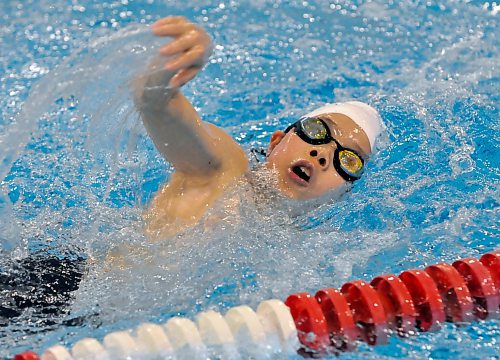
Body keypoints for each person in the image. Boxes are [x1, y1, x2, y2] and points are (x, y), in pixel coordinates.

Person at [133, 16, 383, 239]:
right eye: (317, 131)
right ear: (275, 143)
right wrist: (172, 65)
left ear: (342, 195)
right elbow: (154, 102)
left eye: (349, 160)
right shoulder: (222, 169)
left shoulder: (308, 246)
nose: (323, 154)